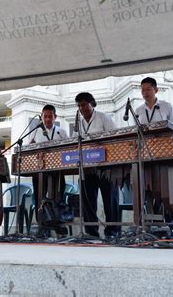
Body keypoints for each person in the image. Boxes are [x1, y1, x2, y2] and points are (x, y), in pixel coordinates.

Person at [135, 77, 173, 237]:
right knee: (149, 192)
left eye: (148, 89)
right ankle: (151, 227)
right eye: (143, 90)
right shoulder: (138, 111)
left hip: (165, 156)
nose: (145, 92)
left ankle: (168, 227)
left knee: (167, 193)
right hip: (146, 158)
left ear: (156, 90)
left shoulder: (166, 107)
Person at [74, 92, 120, 238]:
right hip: (87, 167)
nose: (82, 108)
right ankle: (91, 232)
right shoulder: (79, 123)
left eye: (85, 104)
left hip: (106, 166)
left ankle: (113, 232)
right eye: (80, 105)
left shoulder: (103, 117)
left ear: (91, 103)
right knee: (88, 201)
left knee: (110, 199)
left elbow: (115, 138)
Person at [28, 105, 69, 235]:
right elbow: (30, 149)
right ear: (41, 117)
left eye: (50, 116)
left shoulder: (61, 132)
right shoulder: (35, 131)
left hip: (58, 172)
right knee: (39, 198)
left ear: (55, 117)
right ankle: (42, 229)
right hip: (39, 172)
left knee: (58, 199)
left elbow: (67, 150)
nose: (47, 119)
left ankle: (59, 230)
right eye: (44, 116)